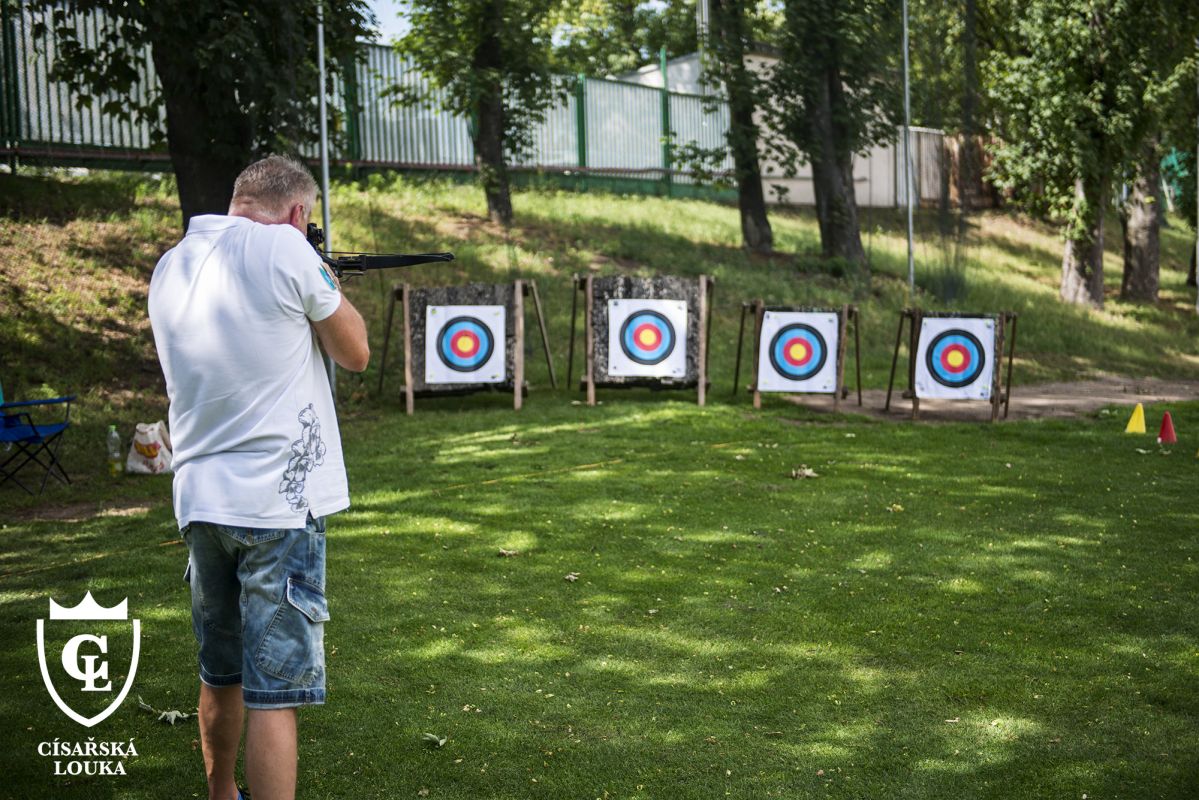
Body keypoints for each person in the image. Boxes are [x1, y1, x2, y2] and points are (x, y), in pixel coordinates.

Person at [149, 154, 369, 800]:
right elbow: (354, 351)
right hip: (278, 506)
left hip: (200, 502)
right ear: (298, 213)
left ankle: (222, 795)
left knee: (221, 673)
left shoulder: (172, 264)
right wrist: (323, 275)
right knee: (275, 691)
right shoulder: (286, 249)